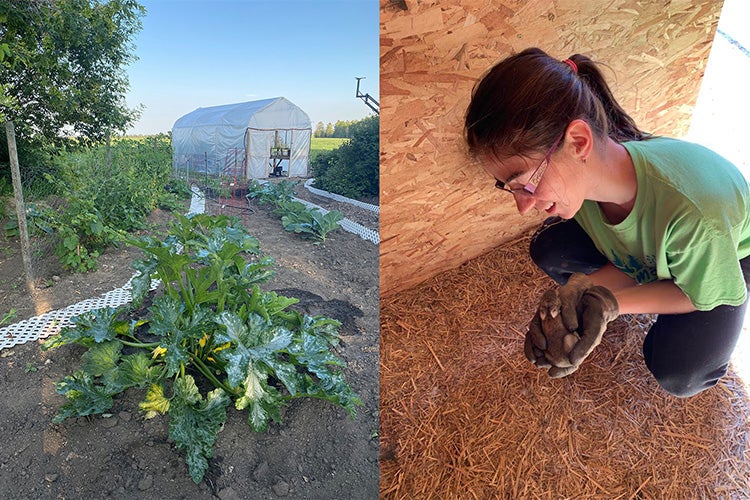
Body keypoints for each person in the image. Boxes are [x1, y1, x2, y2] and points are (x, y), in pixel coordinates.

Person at [464, 47, 750, 397]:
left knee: (682, 372)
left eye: (526, 182)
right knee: (550, 247)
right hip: (674, 240)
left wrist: (611, 304)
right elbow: (634, 254)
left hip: (728, 252)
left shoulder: (694, 216)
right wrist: (582, 291)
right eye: (509, 188)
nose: (523, 206)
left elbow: (696, 296)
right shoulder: (590, 181)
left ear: (578, 142)